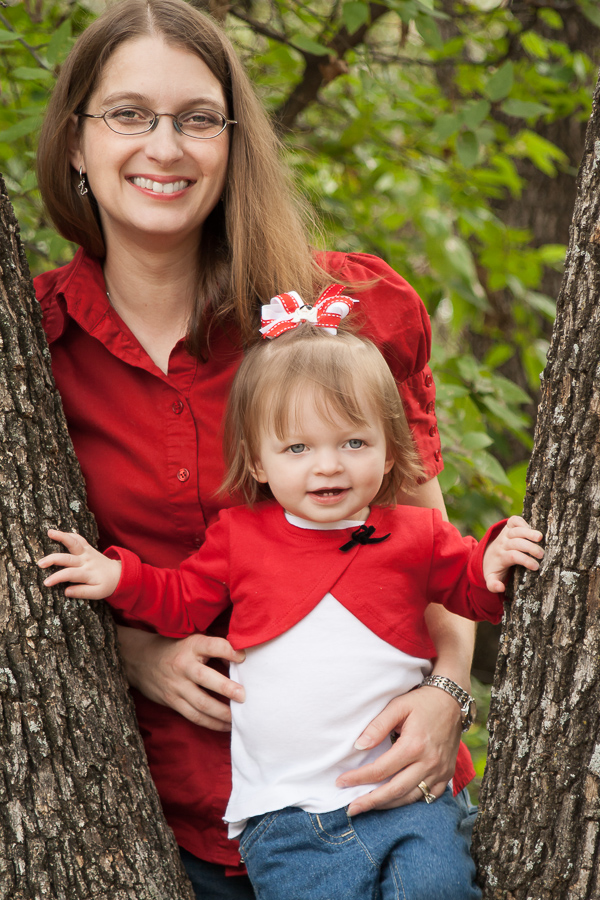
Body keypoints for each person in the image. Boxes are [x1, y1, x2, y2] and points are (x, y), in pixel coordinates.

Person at [34, 0, 488, 895]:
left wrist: (450, 697)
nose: (164, 147)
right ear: (76, 143)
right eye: (129, 114)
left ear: (233, 145)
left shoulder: (337, 318)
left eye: (198, 119)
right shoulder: (30, 344)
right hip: (146, 818)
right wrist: (129, 653)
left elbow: (432, 552)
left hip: (381, 800)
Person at [38, 302, 544, 900]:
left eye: (353, 442)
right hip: (285, 816)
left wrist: (492, 560)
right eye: (297, 448)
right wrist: (116, 576)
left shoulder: (414, 533)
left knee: (436, 886)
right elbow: (180, 601)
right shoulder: (239, 537)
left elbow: (470, 589)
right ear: (258, 459)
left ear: (388, 450)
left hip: (407, 797)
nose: (327, 465)